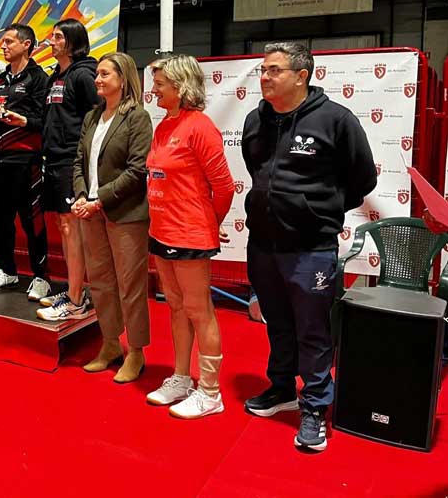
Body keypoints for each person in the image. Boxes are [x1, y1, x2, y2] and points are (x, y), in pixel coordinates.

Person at [241, 41, 376, 453]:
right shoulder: (254, 120)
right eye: (263, 70)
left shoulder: (336, 120)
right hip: (263, 244)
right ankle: (281, 387)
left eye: (274, 70)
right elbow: (256, 169)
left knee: (313, 331)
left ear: (302, 75)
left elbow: (363, 178)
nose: (265, 77)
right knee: (277, 323)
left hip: (311, 248)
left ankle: (315, 407)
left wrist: (320, 210)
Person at [144, 54, 235, 419]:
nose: (154, 89)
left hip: (190, 234)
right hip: (161, 229)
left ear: (181, 87)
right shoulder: (164, 125)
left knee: (199, 310)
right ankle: (181, 377)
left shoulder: (200, 127)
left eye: (160, 83)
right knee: (177, 307)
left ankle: (210, 393)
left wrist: (208, 226)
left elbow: (224, 187)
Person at [72, 52, 153, 383]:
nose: (98, 80)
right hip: (90, 211)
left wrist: (99, 199)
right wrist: (81, 195)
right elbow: (78, 160)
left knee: (130, 286)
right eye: (98, 75)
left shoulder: (137, 117)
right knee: (102, 283)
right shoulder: (92, 116)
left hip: (125, 213)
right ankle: (109, 344)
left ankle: (135, 352)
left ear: (123, 78)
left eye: (105, 74)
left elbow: (137, 170)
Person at [36, 19, 100, 321]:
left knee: (71, 226)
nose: (51, 41)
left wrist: (84, 159)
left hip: (72, 161)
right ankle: (74, 287)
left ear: (73, 42)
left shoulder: (85, 75)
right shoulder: (54, 77)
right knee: (64, 227)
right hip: (54, 159)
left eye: (58, 37)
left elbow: (97, 117)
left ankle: (76, 300)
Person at [0, 23, 49, 296]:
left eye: (9, 42)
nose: (3, 46)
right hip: (0, 159)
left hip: (27, 160)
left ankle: (41, 277)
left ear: (26, 44)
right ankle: (6, 271)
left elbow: (46, 122)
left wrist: (22, 120)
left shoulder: (39, 79)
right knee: (1, 219)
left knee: (32, 220)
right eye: (3, 42)